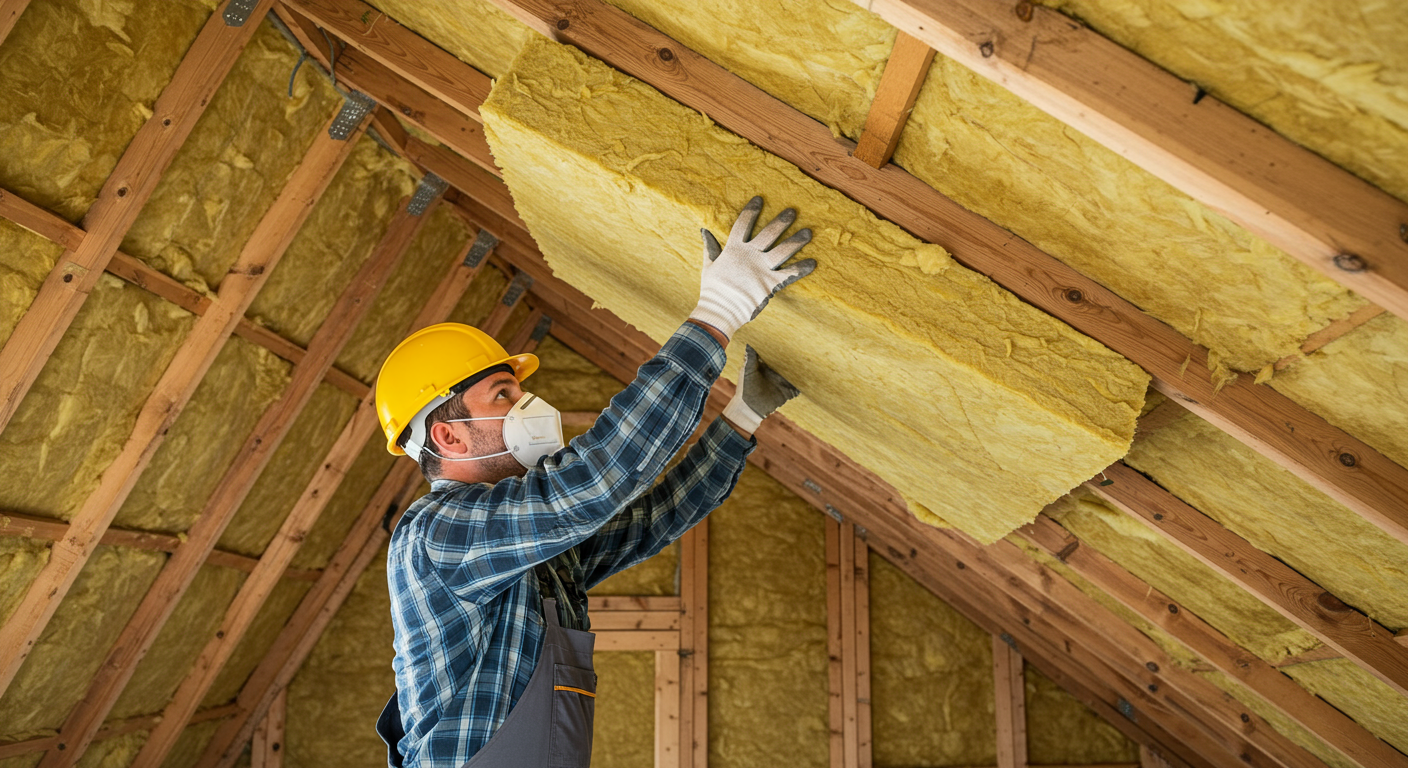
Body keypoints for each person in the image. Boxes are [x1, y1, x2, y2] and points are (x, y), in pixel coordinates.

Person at [372, 196, 815, 767]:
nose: (527, 405)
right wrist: (719, 310)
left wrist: (742, 418)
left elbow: (650, 518)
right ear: (450, 438)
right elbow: (591, 482)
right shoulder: (435, 535)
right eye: (503, 396)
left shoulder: (534, 553)